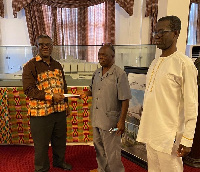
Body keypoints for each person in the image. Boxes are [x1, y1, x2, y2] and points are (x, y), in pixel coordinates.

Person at [137, 16, 198, 172]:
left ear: (176, 34)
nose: (157, 36)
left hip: (169, 135)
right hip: (151, 131)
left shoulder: (185, 64)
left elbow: (192, 105)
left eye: (163, 32)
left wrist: (187, 139)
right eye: (156, 32)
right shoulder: (154, 63)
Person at [22, 34, 72, 172]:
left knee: (60, 140)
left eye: (48, 45)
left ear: (52, 47)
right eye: (42, 44)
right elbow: (29, 90)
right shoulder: (30, 66)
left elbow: (64, 86)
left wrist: (66, 104)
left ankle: (59, 162)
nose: (45, 47)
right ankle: (41, 168)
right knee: (42, 145)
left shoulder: (57, 65)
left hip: (59, 110)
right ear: (36, 47)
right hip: (40, 113)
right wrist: (50, 96)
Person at [80, 43, 132, 172]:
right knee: (99, 148)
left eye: (104, 55)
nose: (100, 57)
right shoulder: (97, 73)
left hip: (111, 122)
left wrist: (121, 121)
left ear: (113, 56)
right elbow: (93, 90)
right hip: (97, 119)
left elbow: (125, 99)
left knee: (112, 151)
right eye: (99, 55)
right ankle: (102, 170)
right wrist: (86, 93)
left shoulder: (120, 75)